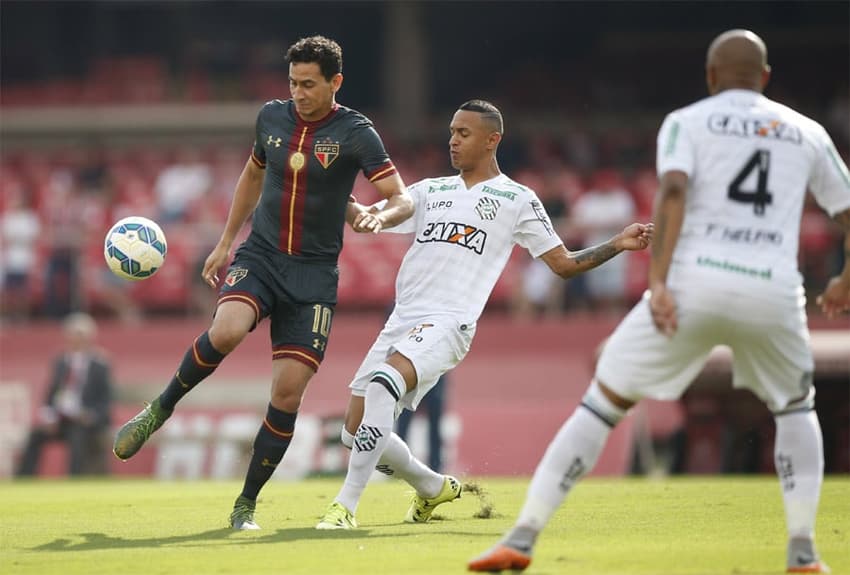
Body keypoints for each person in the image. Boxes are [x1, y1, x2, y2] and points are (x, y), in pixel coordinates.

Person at [468, 30, 850, 574]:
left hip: (695, 283)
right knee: (795, 408)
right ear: (765, 77)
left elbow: (671, 192)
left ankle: (524, 536)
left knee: (602, 404)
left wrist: (662, 283)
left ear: (711, 76)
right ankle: (804, 551)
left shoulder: (687, 121)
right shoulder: (806, 131)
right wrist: (843, 279)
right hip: (772, 289)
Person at [112, 35, 413, 529]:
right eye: (293, 82)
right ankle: (159, 409)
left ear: (335, 82)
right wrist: (225, 241)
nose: (298, 92)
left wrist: (379, 215)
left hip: (315, 276)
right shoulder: (270, 118)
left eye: (309, 84)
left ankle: (245, 504)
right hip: (262, 256)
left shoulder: (357, 132)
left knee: (288, 394)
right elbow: (252, 177)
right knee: (228, 329)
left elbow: (399, 197)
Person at [315, 100, 653, 530]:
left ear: (493, 140)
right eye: (452, 131)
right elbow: (368, 221)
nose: (453, 140)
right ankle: (432, 486)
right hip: (401, 322)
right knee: (353, 431)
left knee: (384, 385)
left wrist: (617, 244)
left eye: (464, 133)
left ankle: (345, 507)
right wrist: (330, 187)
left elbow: (563, 264)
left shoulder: (517, 199)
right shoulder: (427, 191)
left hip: (450, 322)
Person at [16, 313, 113, 476]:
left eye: (80, 335)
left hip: (85, 421)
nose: (77, 339)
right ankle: (24, 478)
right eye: (73, 334)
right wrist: (49, 417)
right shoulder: (61, 362)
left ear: (89, 337)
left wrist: (91, 415)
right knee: (35, 435)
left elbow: (106, 399)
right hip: (61, 419)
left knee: (77, 435)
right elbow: (50, 395)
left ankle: (74, 479)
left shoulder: (100, 364)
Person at [395, 372, 450, 472]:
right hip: (413, 374)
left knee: (435, 425)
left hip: (433, 374)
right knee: (403, 423)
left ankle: (435, 467)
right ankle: (398, 464)